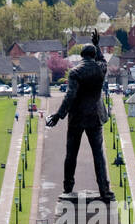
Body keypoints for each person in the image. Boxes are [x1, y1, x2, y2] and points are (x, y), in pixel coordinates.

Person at [45, 34, 111, 198]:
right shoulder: (101, 68)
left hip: (77, 117)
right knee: (98, 154)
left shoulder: (75, 72)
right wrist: (97, 46)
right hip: (95, 116)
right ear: (94, 55)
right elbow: (103, 61)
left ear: (81, 56)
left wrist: (58, 115)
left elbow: (70, 96)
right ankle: (104, 189)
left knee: (71, 154)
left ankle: (68, 188)